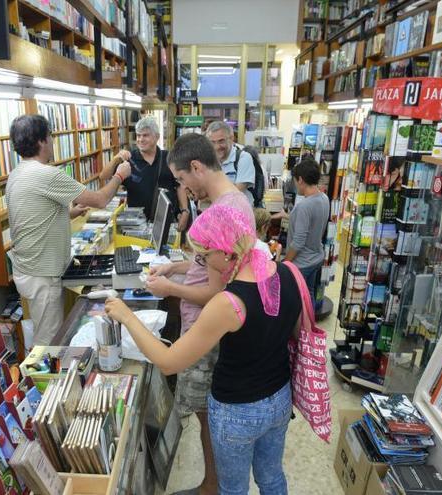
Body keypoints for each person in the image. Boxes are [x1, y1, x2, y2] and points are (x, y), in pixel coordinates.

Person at [105, 204, 302, 495]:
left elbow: (169, 361)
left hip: (238, 411)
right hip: (280, 398)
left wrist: (127, 317)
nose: (203, 263)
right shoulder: (286, 272)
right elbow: (291, 332)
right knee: (271, 476)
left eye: (205, 255)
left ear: (225, 251)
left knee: (232, 488)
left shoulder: (228, 303)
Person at [143, 132, 254, 494]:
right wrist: (176, 268)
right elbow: (212, 266)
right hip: (208, 326)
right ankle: (213, 482)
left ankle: (211, 485)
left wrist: (169, 289)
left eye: (182, 180)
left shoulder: (222, 211)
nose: (184, 189)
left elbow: (216, 291)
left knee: (207, 415)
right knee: (208, 414)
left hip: (205, 331)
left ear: (196, 167)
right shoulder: (236, 200)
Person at [6, 115, 131, 345]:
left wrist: (69, 213)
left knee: (46, 330)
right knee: (48, 343)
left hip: (28, 268)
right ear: (42, 141)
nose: (53, 141)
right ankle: (43, 380)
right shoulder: (47, 174)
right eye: (51, 136)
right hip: (42, 274)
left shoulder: (17, 173)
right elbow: (101, 199)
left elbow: (33, 216)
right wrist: (119, 175)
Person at [101, 116, 190, 230]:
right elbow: (104, 176)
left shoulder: (168, 158)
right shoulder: (129, 159)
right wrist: (116, 159)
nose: (140, 139)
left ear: (157, 137)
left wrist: (185, 211)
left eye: (145, 135)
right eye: (138, 135)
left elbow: (179, 186)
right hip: (136, 225)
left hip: (166, 222)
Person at [281, 158, 329, 312]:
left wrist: (285, 263)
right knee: (308, 296)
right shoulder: (324, 198)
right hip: (316, 257)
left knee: (294, 302)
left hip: (301, 263)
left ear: (300, 180)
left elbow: (299, 241)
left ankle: (299, 331)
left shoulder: (304, 205)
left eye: (295, 181)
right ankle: (308, 330)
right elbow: (315, 225)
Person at [206, 120, 256, 206]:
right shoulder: (208, 160)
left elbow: (235, 193)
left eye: (221, 141)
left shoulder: (243, 158)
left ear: (231, 138)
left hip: (240, 215)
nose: (217, 147)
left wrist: (208, 195)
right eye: (212, 142)